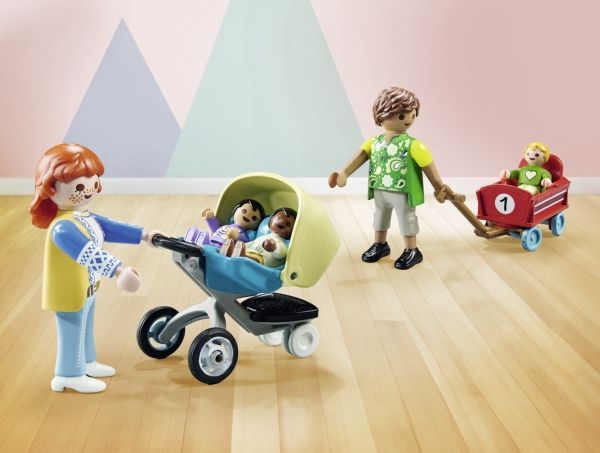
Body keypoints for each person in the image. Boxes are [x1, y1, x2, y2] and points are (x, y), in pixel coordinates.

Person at [30, 143, 161, 393]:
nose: (88, 190)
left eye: (92, 183)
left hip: (87, 287)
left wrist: (144, 235)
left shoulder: (84, 216)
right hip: (69, 291)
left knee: (86, 325)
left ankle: (87, 362)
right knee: (73, 329)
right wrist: (118, 270)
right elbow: (88, 253)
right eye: (79, 187)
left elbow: (110, 227)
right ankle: (68, 374)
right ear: (50, 187)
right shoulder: (63, 228)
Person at [329, 86, 457, 269]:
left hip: (403, 190)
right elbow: (361, 156)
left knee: (407, 218)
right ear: (381, 114)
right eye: (402, 115)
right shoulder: (375, 142)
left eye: (412, 114)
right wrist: (344, 173)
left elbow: (428, 167)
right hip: (380, 187)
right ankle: (380, 245)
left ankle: (412, 250)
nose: (408, 119)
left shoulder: (414, 145)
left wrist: (439, 187)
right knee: (380, 216)